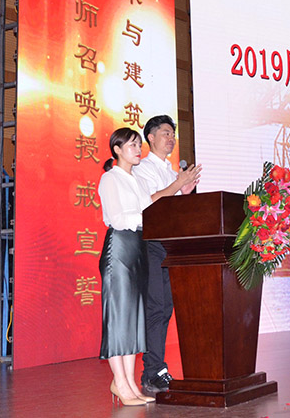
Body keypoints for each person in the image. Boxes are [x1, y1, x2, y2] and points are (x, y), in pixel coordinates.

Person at [98, 127, 195, 405]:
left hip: (139, 246)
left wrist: (178, 192)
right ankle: (120, 381)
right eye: (132, 145)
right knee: (119, 317)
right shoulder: (110, 178)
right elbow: (119, 218)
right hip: (120, 247)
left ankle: (128, 383)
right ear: (117, 150)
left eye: (138, 144)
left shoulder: (136, 180)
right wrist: (146, 216)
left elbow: (150, 207)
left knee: (133, 318)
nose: (137, 149)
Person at [132, 115, 201, 393]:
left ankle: (156, 368)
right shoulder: (143, 168)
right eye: (165, 133)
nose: (171, 138)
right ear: (150, 137)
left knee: (165, 308)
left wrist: (185, 192)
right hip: (151, 243)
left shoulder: (173, 172)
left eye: (173, 134)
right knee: (155, 307)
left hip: (171, 246)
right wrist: (177, 185)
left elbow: (177, 210)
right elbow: (149, 205)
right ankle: (152, 372)